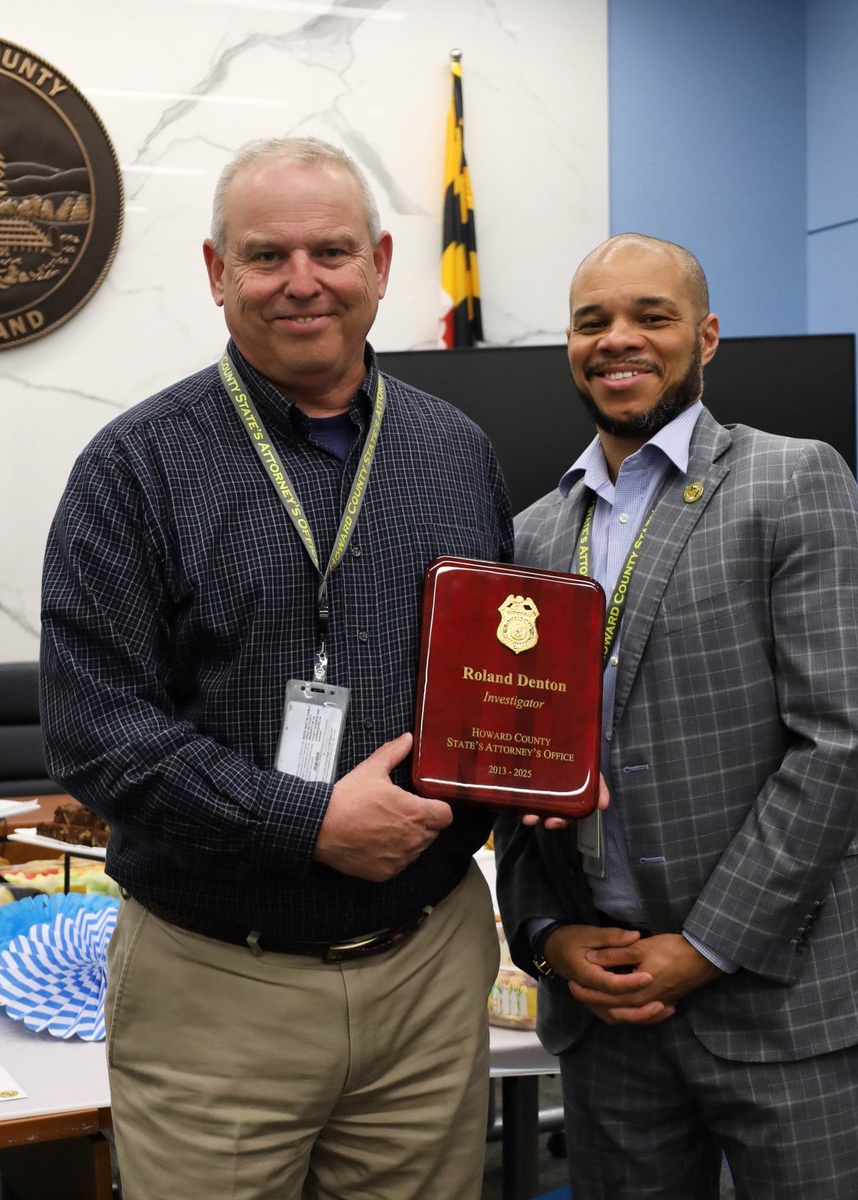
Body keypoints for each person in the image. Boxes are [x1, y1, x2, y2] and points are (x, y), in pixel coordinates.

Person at [39, 137, 512, 1200]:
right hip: (218, 986)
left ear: (382, 264)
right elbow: (93, 727)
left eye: (333, 251)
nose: (304, 281)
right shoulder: (132, 469)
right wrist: (305, 823)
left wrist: (544, 768)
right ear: (216, 273)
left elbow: (496, 677)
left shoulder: (457, 451)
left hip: (428, 975)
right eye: (266, 255)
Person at [495, 233, 858, 1199]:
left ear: (706, 336)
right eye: (594, 321)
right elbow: (509, 761)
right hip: (609, 1007)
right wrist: (548, 934)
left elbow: (841, 740)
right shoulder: (533, 534)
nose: (619, 340)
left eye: (652, 316)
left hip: (778, 996)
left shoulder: (794, 480)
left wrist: (705, 947)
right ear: (569, 343)